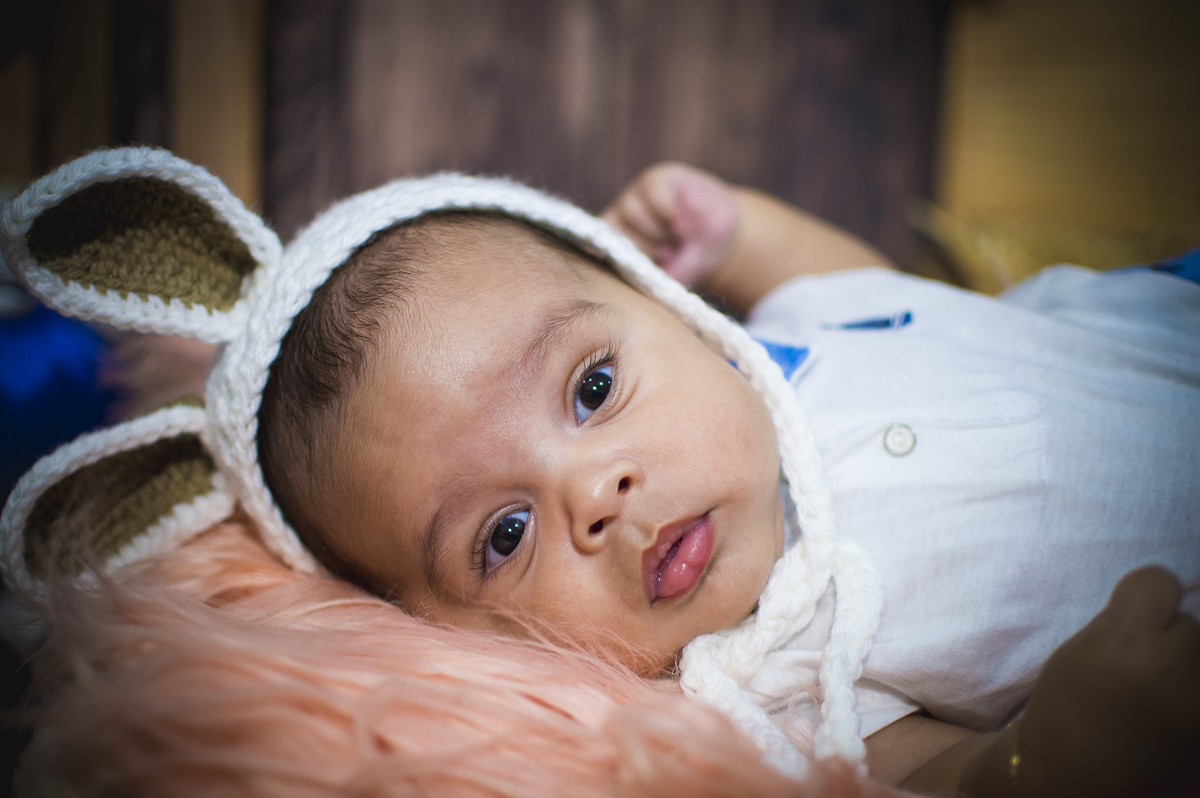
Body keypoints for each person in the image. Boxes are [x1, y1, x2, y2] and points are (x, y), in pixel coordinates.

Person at [2, 151, 1197, 796]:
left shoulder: (788, 352)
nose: (594, 494)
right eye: (503, 535)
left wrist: (741, 230)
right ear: (450, 631)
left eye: (589, 390)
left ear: (669, 307)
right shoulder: (766, 668)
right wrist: (1049, 762)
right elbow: (924, 773)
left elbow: (861, 284)